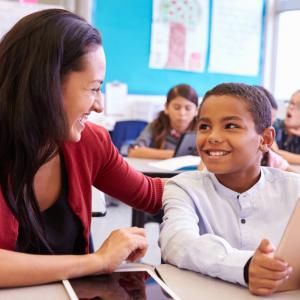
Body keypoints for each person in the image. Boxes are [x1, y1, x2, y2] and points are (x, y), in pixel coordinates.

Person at [0, 9, 164, 287]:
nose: (99, 105)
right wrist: (97, 261)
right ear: (47, 85)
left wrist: (241, 174)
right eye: (93, 88)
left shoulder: (89, 141)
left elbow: (152, 195)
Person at [159, 83, 300, 296]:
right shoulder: (184, 187)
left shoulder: (294, 189)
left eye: (231, 126)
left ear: (266, 139)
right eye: (204, 126)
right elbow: (176, 241)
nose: (212, 137)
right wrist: (244, 266)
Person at [128, 84, 198, 159]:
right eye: (176, 108)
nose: (182, 113)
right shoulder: (157, 125)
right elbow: (134, 152)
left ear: (196, 111)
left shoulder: (201, 130)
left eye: (188, 108)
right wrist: (176, 155)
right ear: (166, 108)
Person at [255, 86, 295, 172]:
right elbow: (276, 151)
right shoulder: (278, 127)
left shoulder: (267, 156)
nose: (291, 107)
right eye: (291, 103)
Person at [272, 90, 300, 164]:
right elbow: (274, 153)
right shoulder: (273, 124)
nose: (290, 107)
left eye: (298, 106)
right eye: (291, 103)